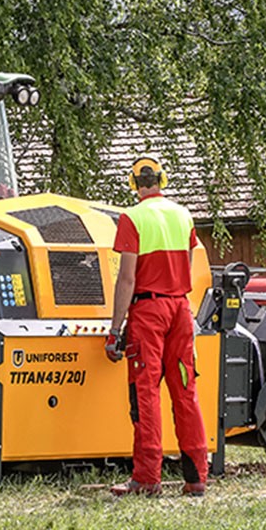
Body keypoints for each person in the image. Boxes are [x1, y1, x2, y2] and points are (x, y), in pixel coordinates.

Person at [105, 155, 208, 497]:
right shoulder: (183, 215)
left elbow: (126, 279)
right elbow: (189, 266)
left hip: (148, 312)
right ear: (162, 180)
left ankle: (147, 478)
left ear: (134, 184)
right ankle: (196, 478)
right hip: (180, 308)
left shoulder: (131, 218)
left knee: (145, 393)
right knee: (185, 390)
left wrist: (114, 329)